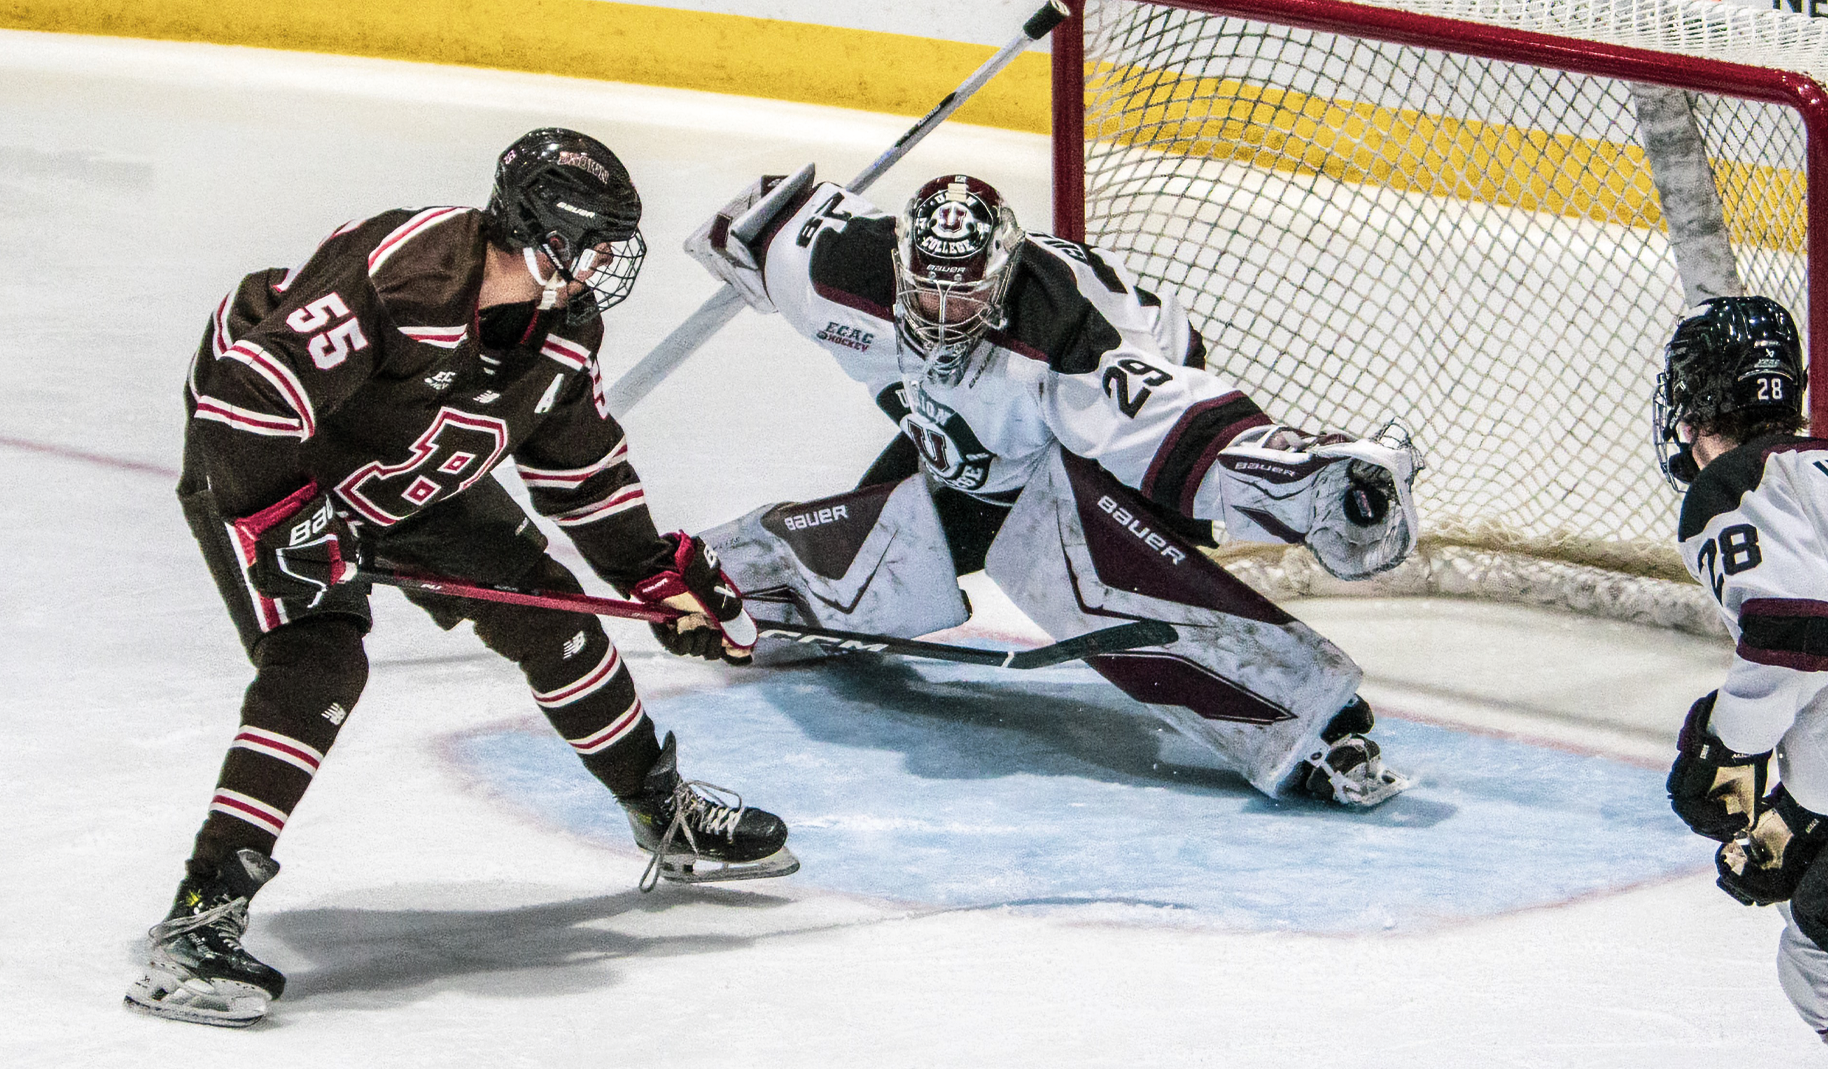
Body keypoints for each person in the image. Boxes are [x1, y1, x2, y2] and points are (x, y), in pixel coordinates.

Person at [127, 129, 795, 1029]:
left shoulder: (562, 327)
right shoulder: (409, 277)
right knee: (319, 660)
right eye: (590, 237)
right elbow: (245, 398)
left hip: (405, 466)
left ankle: (658, 811)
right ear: (530, 227)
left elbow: (580, 471)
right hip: (265, 461)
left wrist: (656, 574)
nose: (605, 260)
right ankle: (200, 917)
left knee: (554, 617)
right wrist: (288, 520)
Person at [682, 169, 1423, 803]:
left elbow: (1193, 435)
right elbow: (774, 218)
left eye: (966, 298)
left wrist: (1309, 485)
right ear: (899, 265)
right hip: (968, 445)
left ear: (1001, 280)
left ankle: (1304, 724)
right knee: (869, 550)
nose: (943, 317)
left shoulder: (1068, 342)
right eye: (928, 293)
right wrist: (741, 234)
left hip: (1086, 441)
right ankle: (726, 592)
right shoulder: (837, 271)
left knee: (1088, 575)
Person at [1656, 296, 1828, 1069]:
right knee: (1810, 955)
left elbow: (1802, 633)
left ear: (1698, 405)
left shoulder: (1735, 482)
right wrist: (1800, 813)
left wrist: (1725, 749)